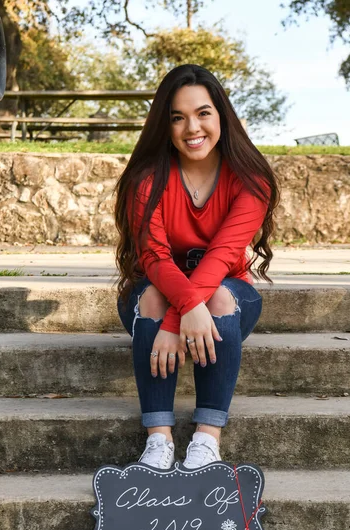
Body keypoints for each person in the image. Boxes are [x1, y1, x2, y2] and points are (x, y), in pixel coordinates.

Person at [115, 64, 279, 470]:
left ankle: (207, 440)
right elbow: (153, 257)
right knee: (152, 297)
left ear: (221, 115)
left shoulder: (250, 179)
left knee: (220, 296)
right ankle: (159, 440)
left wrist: (179, 318)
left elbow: (223, 255)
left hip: (227, 293)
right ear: (165, 125)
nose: (192, 127)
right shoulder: (146, 179)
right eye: (177, 117)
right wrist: (178, 312)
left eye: (203, 113)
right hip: (155, 291)